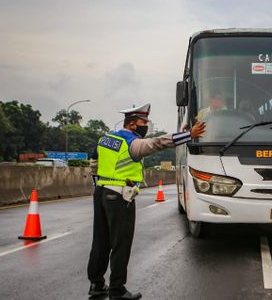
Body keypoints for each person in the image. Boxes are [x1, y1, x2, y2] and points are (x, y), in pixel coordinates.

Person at [87, 103, 206, 299]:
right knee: (120, 244)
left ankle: (96, 284)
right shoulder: (131, 142)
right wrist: (188, 135)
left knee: (100, 241)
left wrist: (100, 183)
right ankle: (117, 290)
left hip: (100, 193)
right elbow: (157, 143)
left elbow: (94, 163)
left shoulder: (105, 139)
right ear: (133, 124)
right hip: (120, 196)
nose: (146, 126)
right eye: (143, 122)